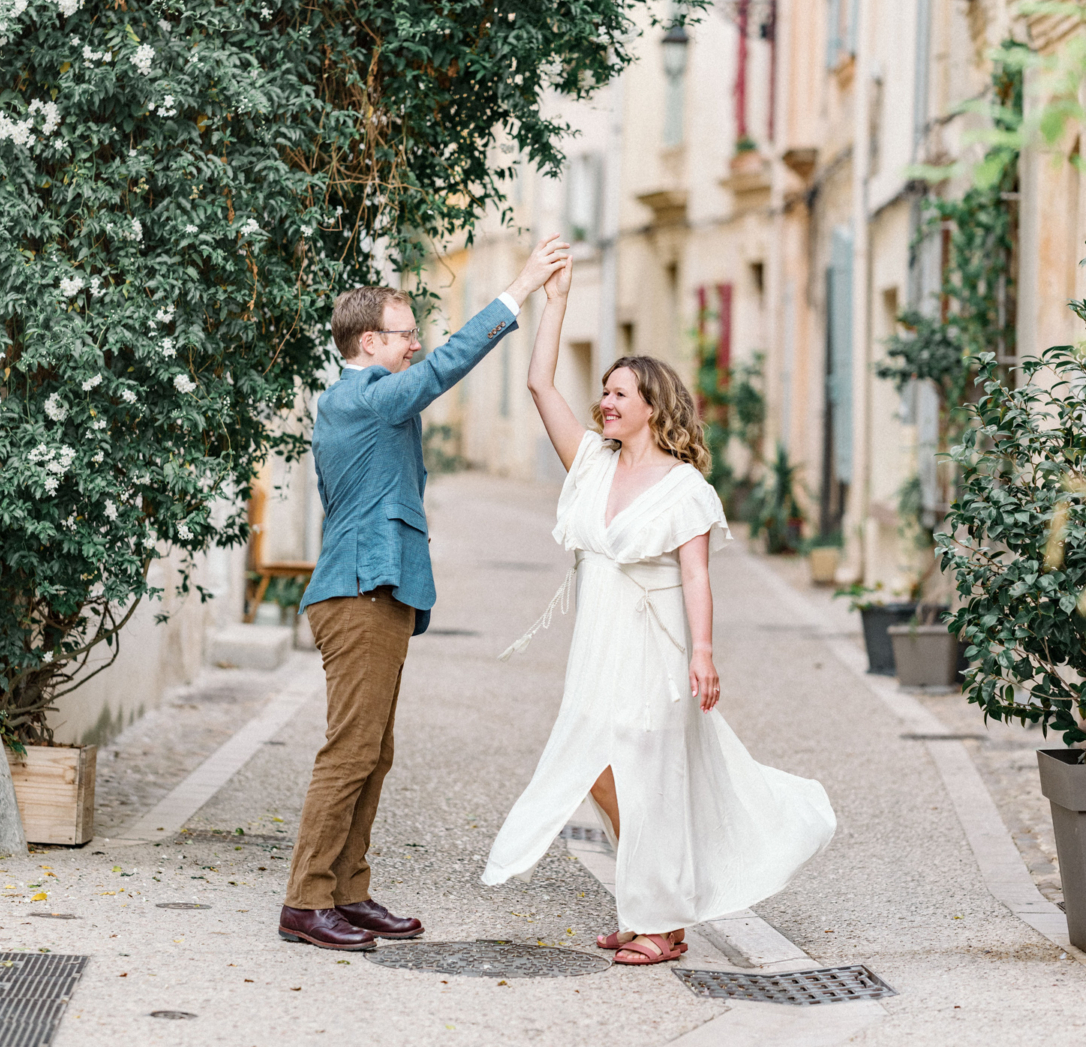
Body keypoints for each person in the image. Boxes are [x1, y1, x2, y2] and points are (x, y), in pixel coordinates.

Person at [482, 254, 836, 965]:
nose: (606, 402)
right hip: (597, 648)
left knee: (651, 774)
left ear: (652, 405)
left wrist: (702, 655)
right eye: (604, 392)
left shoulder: (684, 488)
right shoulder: (590, 462)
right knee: (597, 770)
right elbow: (537, 382)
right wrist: (556, 301)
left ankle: (663, 922)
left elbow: (697, 576)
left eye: (620, 393)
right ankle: (646, 903)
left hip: (656, 647)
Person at [278, 235, 569, 953]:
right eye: (407, 335)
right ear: (372, 340)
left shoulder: (372, 402)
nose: (417, 345)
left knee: (373, 750)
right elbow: (442, 369)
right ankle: (305, 901)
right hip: (358, 590)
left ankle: (347, 891)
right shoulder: (362, 399)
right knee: (350, 750)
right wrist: (520, 289)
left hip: (379, 589)